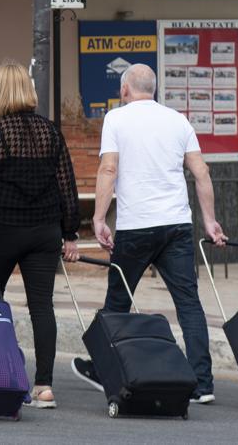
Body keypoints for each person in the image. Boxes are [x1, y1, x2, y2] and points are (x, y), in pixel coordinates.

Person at [72, 63, 227, 404]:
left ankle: (101, 369)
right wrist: (210, 221)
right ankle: (203, 383)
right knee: (188, 303)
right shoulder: (178, 120)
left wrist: (98, 218)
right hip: (176, 225)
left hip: (137, 225)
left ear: (125, 89)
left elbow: (108, 168)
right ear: (153, 90)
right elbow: (201, 173)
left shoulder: (116, 119)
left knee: (117, 301)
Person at [0, 63, 80, 409]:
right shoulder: (51, 132)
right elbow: (67, 187)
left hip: (1, 231)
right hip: (44, 233)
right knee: (42, 307)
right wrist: (69, 234)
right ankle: (44, 387)